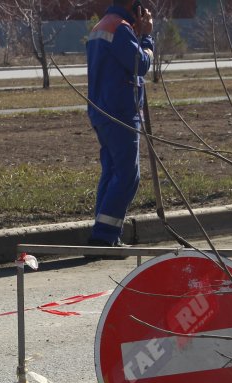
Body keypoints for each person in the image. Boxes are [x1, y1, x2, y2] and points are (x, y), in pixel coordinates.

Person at [85, 0, 155, 250]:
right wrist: (146, 38)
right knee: (127, 176)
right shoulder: (121, 29)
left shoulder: (101, 27)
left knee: (112, 172)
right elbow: (141, 64)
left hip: (102, 111)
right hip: (121, 112)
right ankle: (105, 236)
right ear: (132, 7)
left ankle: (102, 233)